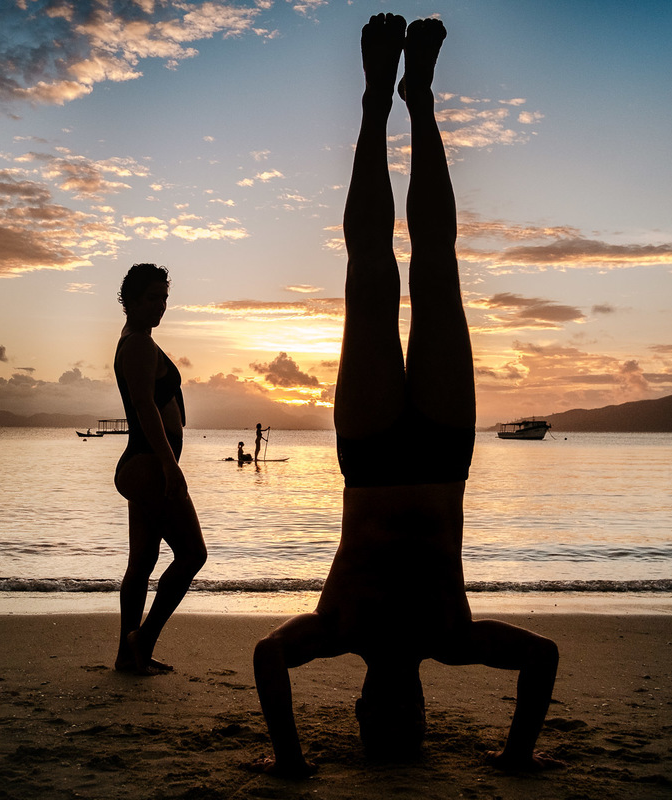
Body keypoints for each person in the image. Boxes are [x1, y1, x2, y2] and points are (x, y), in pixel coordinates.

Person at [253, 15, 559, 778]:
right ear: (424, 709)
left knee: (369, 274)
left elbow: (267, 657)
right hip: (444, 451)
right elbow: (542, 658)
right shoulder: (452, 640)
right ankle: (418, 98)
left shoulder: (334, 627)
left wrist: (290, 760)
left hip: (369, 454)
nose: (395, 709)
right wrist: (517, 755)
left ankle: (372, 101)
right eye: (408, 720)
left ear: (357, 707)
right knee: (437, 269)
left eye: (379, 720)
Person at [113, 263, 208, 675]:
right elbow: (144, 407)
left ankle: (126, 655)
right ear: (131, 300)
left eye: (165, 298)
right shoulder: (137, 344)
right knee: (192, 554)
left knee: (143, 562)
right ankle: (142, 639)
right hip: (150, 464)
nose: (161, 305)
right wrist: (170, 463)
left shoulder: (140, 341)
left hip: (146, 464)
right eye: (152, 297)